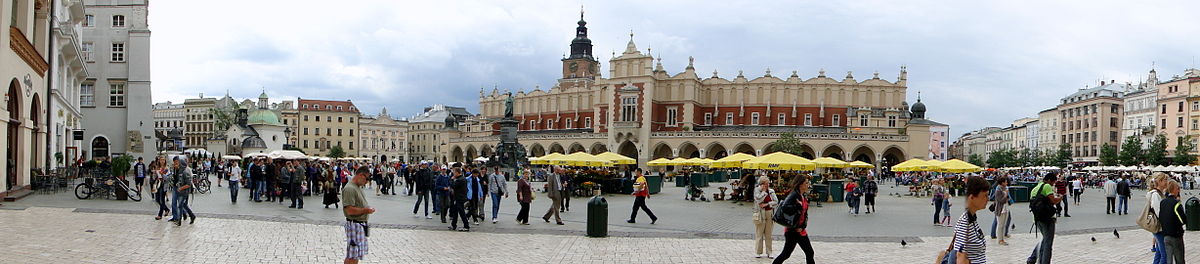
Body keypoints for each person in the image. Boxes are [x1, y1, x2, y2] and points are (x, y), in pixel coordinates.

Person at [947, 176, 990, 264]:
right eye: (984, 196)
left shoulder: (972, 218)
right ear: (972, 198)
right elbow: (960, 257)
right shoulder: (966, 223)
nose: (988, 199)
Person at [773, 175, 814, 264]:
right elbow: (784, 207)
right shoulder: (794, 195)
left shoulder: (803, 195)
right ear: (800, 184)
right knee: (786, 254)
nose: (808, 185)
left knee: (809, 252)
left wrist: (803, 226)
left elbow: (804, 214)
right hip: (792, 231)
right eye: (806, 183)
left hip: (800, 230)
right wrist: (797, 206)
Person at [341, 166, 376, 264]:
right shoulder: (350, 188)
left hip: (359, 225)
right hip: (354, 225)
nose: (367, 182)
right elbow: (349, 210)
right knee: (352, 255)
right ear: (361, 175)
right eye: (367, 178)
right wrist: (366, 210)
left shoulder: (357, 187)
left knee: (355, 254)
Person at [1027, 172, 1062, 264]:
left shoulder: (1035, 188)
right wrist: (1060, 198)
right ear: (1049, 180)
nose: (1053, 184)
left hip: (1037, 218)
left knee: (1045, 239)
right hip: (1047, 218)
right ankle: (1044, 262)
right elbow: (1053, 201)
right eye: (1053, 182)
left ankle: (1033, 258)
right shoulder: (1047, 186)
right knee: (1048, 243)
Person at [1158, 179, 1186, 264]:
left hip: (1166, 234)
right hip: (1176, 235)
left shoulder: (1163, 202)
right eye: (1178, 188)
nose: (1179, 190)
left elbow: (1160, 216)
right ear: (1174, 189)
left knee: (1168, 260)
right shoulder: (1176, 203)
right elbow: (1183, 220)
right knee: (1179, 259)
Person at [1146, 173, 1168, 264]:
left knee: (1159, 252)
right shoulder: (1155, 195)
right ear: (1159, 182)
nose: (1167, 182)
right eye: (1165, 180)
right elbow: (1158, 211)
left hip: (1160, 226)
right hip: (1159, 226)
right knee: (1165, 254)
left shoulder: (1160, 193)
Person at [753, 176, 777, 258]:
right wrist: (763, 192)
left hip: (769, 213)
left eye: (768, 184)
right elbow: (758, 200)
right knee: (759, 233)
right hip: (760, 214)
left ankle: (769, 252)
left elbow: (776, 201)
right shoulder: (757, 190)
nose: (767, 186)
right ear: (761, 184)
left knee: (768, 234)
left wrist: (767, 204)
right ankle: (758, 252)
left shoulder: (771, 191)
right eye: (765, 184)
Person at [167, 157, 195, 226]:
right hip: (178, 189)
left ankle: (179, 220)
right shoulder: (178, 170)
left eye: (177, 162)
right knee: (183, 205)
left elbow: (188, 184)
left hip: (184, 191)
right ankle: (191, 215)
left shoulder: (185, 171)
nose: (176, 164)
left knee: (180, 205)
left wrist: (181, 188)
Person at [991, 177, 1013, 245]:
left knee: (1004, 224)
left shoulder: (1006, 189)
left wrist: (1007, 196)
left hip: (1006, 208)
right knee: (1000, 225)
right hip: (1000, 209)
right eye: (1005, 182)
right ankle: (1000, 239)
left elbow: (1008, 198)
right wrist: (1006, 194)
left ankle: (1002, 238)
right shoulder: (998, 190)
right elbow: (1001, 200)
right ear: (1002, 183)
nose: (1007, 183)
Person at [449, 167, 471, 232]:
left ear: (457, 172)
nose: (453, 174)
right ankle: (453, 225)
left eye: (454, 172)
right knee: (455, 211)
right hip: (460, 197)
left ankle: (466, 226)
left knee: (461, 212)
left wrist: (451, 180)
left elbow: (453, 186)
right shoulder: (462, 178)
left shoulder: (459, 179)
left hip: (459, 198)